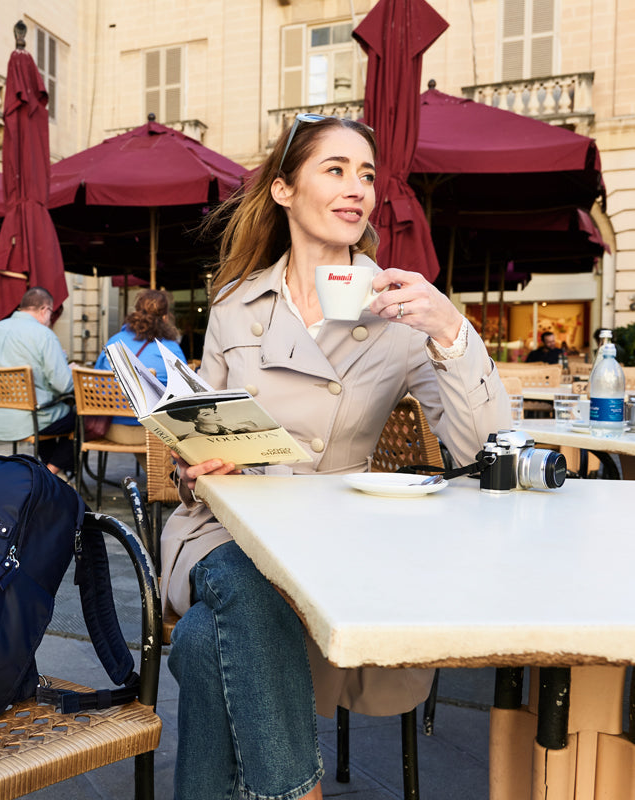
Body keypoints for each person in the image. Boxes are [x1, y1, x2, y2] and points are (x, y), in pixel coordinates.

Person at [159, 116, 510, 800]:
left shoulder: (400, 309)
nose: (358, 189)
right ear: (285, 191)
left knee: (203, 642)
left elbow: (485, 450)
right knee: (240, 566)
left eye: (368, 174)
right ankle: (300, 792)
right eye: (336, 169)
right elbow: (197, 443)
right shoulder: (235, 305)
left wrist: (448, 330)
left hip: (335, 546)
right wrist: (197, 468)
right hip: (226, 532)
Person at [0, 287, 75, 476]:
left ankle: (52, 472)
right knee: (82, 419)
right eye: (51, 314)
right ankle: (49, 474)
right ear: (44, 310)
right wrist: (67, 368)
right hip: (29, 420)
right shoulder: (44, 335)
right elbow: (63, 385)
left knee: (48, 410)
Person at [94, 289, 186, 446]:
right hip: (155, 432)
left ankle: (157, 471)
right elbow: (185, 392)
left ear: (136, 312)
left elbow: (97, 383)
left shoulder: (113, 342)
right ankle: (164, 470)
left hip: (112, 428)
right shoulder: (171, 349)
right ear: (165, 317)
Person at [164, 402, 265, 438]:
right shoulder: (193, 438)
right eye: (207, 414)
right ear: (194, 419)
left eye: (214, 412)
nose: (215, 416)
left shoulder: (239, 427)